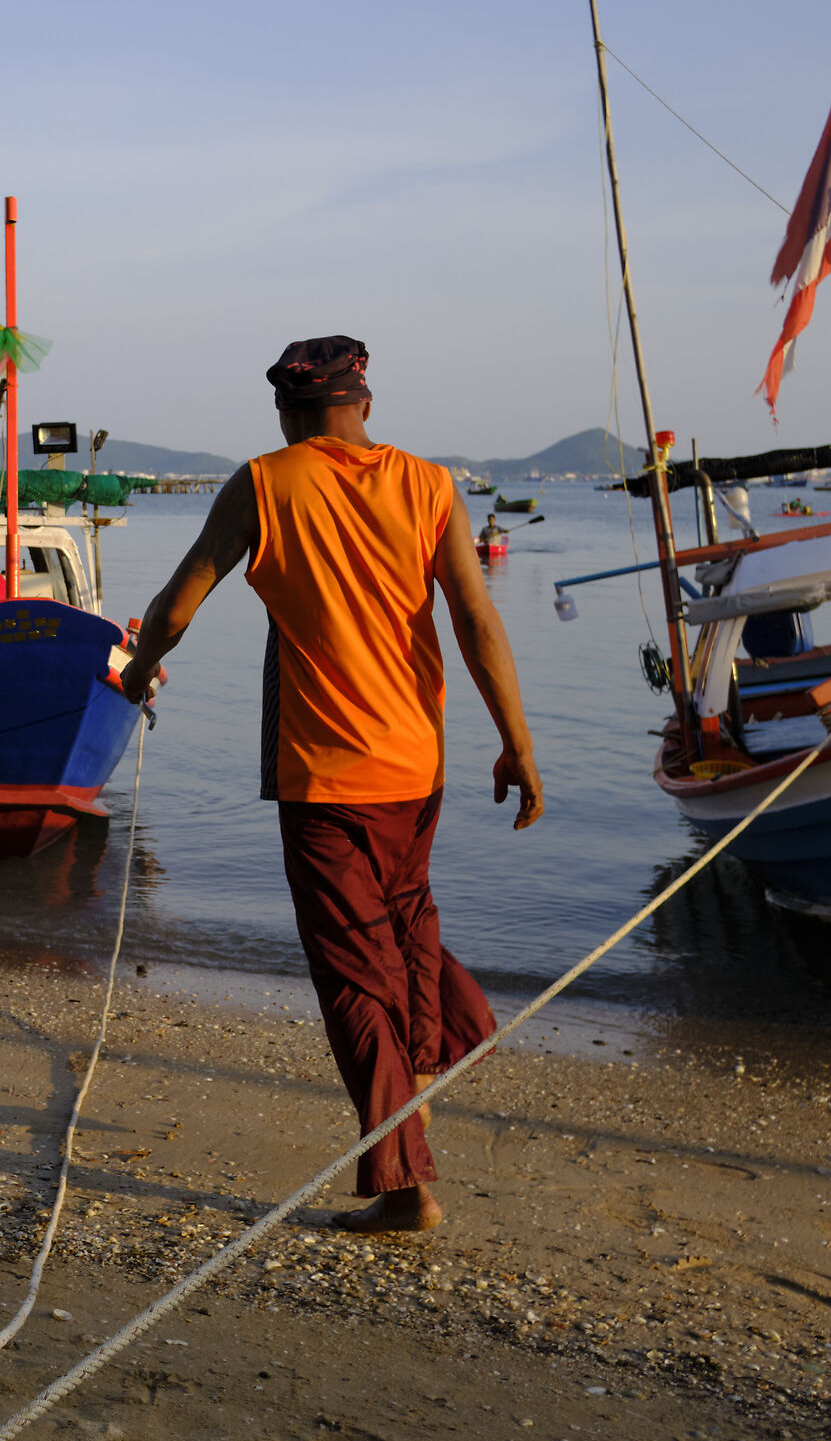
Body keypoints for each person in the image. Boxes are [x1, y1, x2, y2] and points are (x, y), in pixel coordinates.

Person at [117, 334, 542, 1235]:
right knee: (404, 928)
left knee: (353, 971)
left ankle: (404, 1183)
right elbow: (474, 614)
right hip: (415, 766)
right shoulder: (428, 485)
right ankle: (440, 1050)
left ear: (285, 414)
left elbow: (179, 603)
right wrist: (517, 741)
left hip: (320, 777)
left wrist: (137, 668)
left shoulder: (263, 484)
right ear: (366, 405)